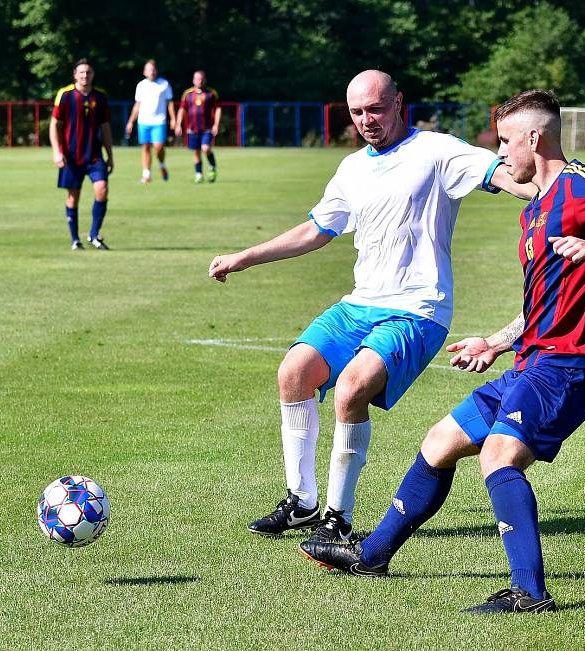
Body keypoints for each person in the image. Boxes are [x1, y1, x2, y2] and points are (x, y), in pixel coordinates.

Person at [299, 89, 585, 614]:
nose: (499, 155)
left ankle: (529, 593)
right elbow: (546, 299)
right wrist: (497, 341)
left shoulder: (579, 184)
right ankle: (373, 554)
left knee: (499, 455)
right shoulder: (535, 210)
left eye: (504, 142)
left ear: (534, 138)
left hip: (568, 365)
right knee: (441, 441)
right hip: (532, 360)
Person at [208, 70, 535, 545]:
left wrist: (560, 196)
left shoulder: (438, 151)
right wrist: (245, 256)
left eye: (376, 109)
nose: (367, 120)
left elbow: (507, 175)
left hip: (417, 310)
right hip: (360, 302)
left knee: (351, 388)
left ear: (399, 102)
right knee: (293, 371)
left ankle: (337, 517)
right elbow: (316, 230)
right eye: (357, 112)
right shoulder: (352, 168)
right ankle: (301, 502)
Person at [49, 58, 114, 251]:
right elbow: (55, 125)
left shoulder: (100, 97)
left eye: (88, 72)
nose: (85, 75)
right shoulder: (66, 95)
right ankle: (75, 239)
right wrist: (56, 152)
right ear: (75, 75)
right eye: (81, 72)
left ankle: (94, 234)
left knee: (102, 189)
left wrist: (110, 154)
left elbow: (106, 127)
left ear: (93, 75)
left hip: (94, 155)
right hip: (71, 156)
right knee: (73, 197)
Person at [125, 60, 175, 183]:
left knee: (158, 147)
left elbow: (170, 103)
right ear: (144, 72)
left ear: (156, 71)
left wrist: (173, 119)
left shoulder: (164, 84)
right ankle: (146, 174)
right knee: (146, 147)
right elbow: (137, 105)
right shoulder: (141, 85)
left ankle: (162, 165)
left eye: (153, 69)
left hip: (159, 121)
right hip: (143, 121)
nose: (151, 72)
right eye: (149, 70)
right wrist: (131, 121)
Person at [175, 70, 222, 183]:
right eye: (197, 79)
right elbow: (182, 109)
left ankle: (212, 167)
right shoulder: (188, 94)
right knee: (196, 152)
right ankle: (199, 174)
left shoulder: (211, 93)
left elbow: (218, 109)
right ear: (193, 80)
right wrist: (178, 124)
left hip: (207, 128)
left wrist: (216, 124)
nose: (199, 81)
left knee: (205, 148)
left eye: (201, 79)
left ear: (204, 80)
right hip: (192, 129)